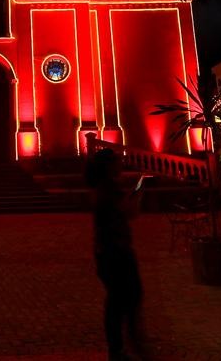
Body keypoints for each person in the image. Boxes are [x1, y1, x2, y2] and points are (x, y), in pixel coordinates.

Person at [86, 148, 146, 360]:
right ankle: (126, 344)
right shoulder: (108, 188)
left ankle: (126, 343)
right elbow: (128, 212)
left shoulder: (102, 188)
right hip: (115, 251)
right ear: (108, 166)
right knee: (124, 298)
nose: (121, 164)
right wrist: (138, 194)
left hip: (108, 250)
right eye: (117, 161)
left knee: (121, 298)